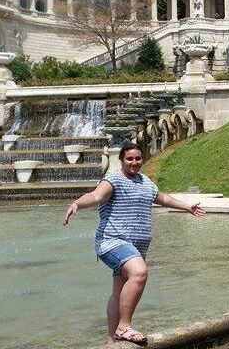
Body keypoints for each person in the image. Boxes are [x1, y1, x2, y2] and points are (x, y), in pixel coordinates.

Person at [63, 142, 206, 345]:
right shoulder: (113, 179)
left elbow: (161, 198)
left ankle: (113, 340)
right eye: (129, 158)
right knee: (139, 272)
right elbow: (96, 195)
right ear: (121, 160)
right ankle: (124, 327)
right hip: (113, 241)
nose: (134, 162)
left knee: (119, 291)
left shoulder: (145, 181)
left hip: (136, 246)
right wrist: (77, 203)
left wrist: (187, 206)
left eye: (138, 158)